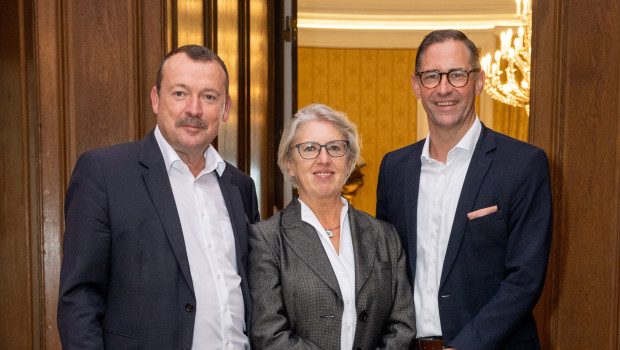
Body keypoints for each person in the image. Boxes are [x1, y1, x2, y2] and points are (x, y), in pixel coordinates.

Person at [57, 45, 260, 349]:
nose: (194, 109)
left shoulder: (239, 186)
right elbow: (79, 299)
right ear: (156, 99)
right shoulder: (104, 172)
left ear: (226, 108)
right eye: (180, 93)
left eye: (208, 96)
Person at [376, 30, 552, 350]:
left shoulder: (524, 164)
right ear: (416, 86)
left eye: (457, 75)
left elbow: (524, 279)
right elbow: (387, 270)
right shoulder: (394, 168)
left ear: (479, 81)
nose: (444, 88)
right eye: (432, 76)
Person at [248, 103, 416, 349]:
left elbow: (402, 326)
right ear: (290, 164)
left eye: (335, 148)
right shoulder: (267, 239)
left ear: (349, 164)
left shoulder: (384, 235)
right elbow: (268, 333)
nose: (324, 159)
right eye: (309, 149)